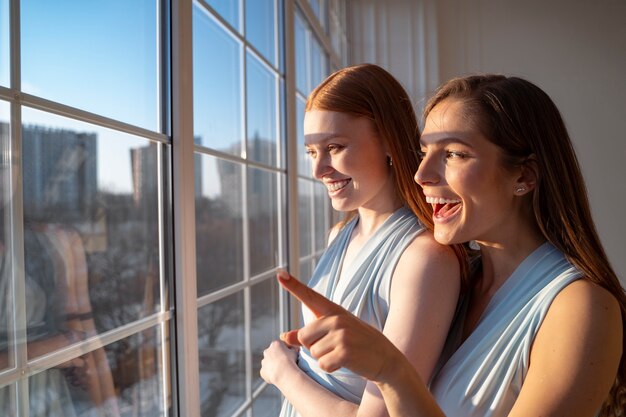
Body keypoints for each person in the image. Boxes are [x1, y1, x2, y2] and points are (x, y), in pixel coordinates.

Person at [275, 74, 626, 417]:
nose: (421, 174)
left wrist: (391, 371)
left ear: (524, 175)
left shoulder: (582, 308)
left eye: (455, 154)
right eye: (424, 151)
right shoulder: (461, 280)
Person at [260, 64, 465, 417]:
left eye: (335, 147)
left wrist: (284, 374)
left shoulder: (424, 259)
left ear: (388, 139)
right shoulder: (340, 234)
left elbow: (377, 416)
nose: (318, 169)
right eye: (311, 152)